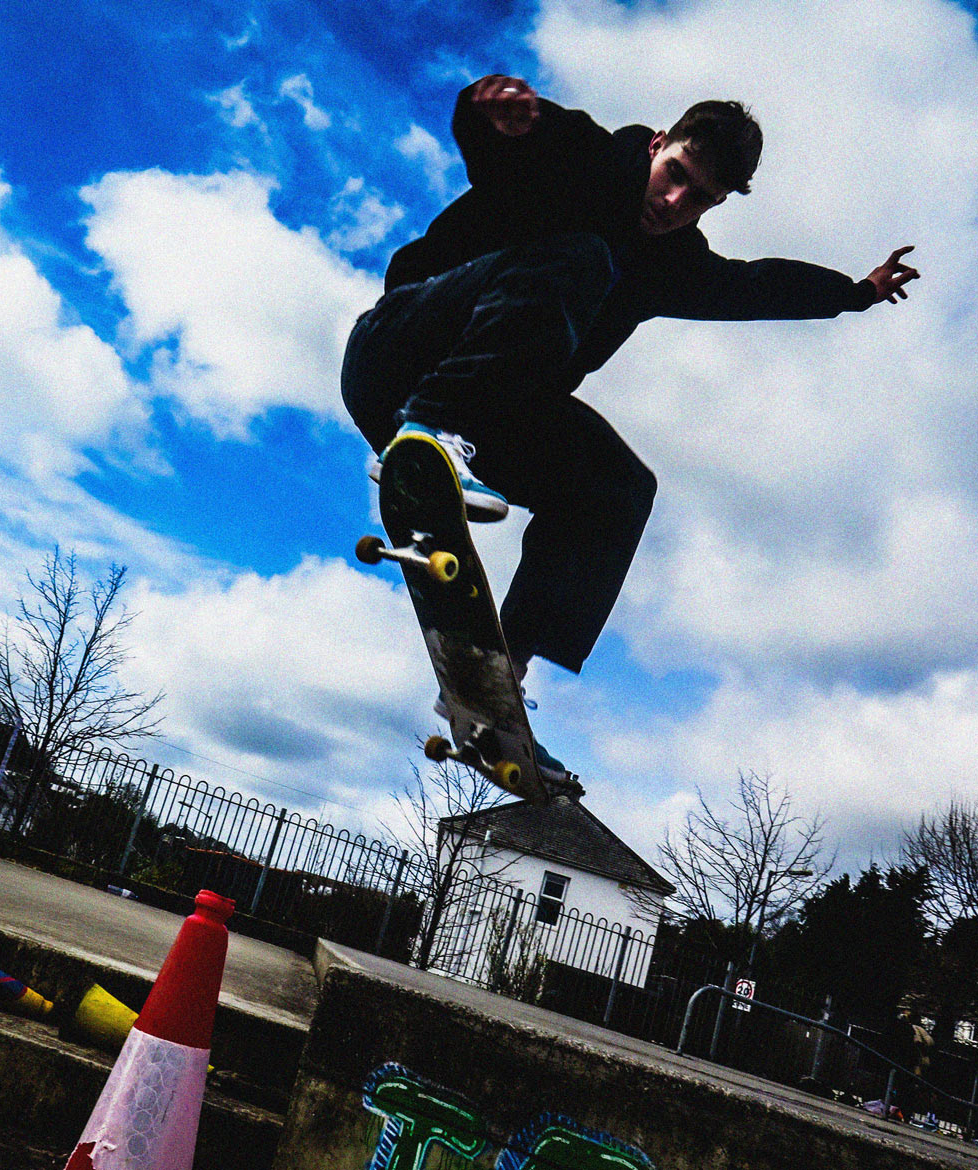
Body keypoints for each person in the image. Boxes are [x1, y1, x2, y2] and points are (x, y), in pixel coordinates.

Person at [342, 74, 919, 780]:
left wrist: (855, 293)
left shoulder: (672, 264)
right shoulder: (584, 158)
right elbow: (513, 143)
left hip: (496, 404)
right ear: (657, 144)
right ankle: (429, 430)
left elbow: (753, 285)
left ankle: (491, 689)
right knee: (584, 258)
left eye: (699, 198)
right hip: (396, 351)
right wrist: (490, 114)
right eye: (675, 174)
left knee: (617, 487)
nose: (674, 204)